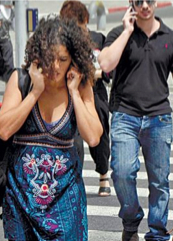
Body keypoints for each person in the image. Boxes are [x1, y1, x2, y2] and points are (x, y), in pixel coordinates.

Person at [0, 16, 102, 240]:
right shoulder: (21, 80)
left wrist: (74, 93)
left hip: (66, 202)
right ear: (38, 55)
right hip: (21, 200)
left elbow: (93, 137)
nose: (55, 67)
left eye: (62, 59)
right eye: (49, 58)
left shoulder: (81, 86)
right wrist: (34, 93)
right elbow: (4, 129)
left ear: (73, 59)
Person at [98, 0, 173, 240]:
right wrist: (128, 31)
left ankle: (157, 233)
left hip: (159, 118)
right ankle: (130, 221)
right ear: (131, 4)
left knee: (159, 181)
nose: (144, 6)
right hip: (125, 115)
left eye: (149, 1)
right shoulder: (118, 34)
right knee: (121, 172)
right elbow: (106, 63)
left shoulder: (172, 38)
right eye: (138, 2)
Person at [60, 0, 112, 197]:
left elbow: (108, 70)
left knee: (100, 132)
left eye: (79, 24)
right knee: (73, 139)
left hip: (95, 90)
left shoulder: (98, 39)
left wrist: (90, 74)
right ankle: (74, 177)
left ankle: (103, 173)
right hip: (69, 92)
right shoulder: (63, 44)